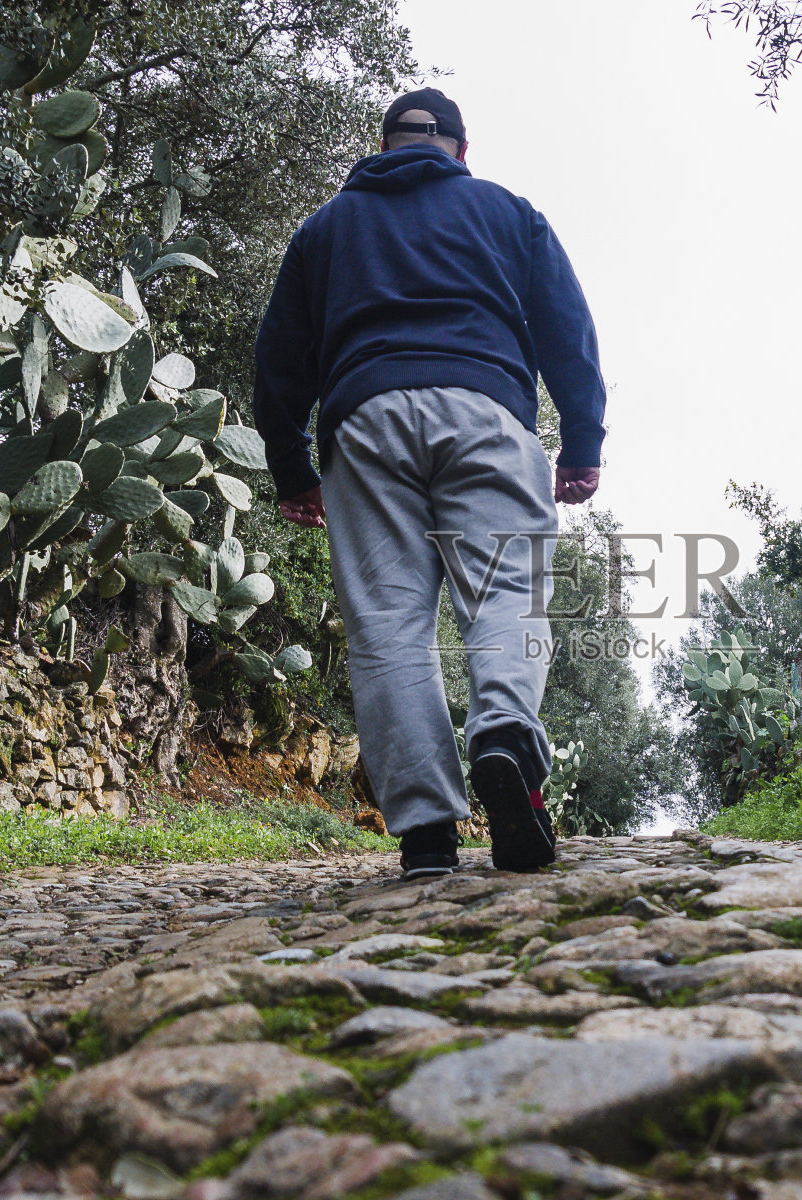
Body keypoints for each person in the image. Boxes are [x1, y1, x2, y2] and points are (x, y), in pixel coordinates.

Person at [253, 88, 606, 880]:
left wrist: (291, 465)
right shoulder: (507, 211)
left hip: (365, 424)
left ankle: (427, 837)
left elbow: (280, 357)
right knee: (506, 592)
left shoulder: (326, 227)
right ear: (461, 147)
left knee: (388, 625)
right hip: (486, 412)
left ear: (382, 146)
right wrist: (580, 441)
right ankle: (504, 737)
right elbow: (565, 326)